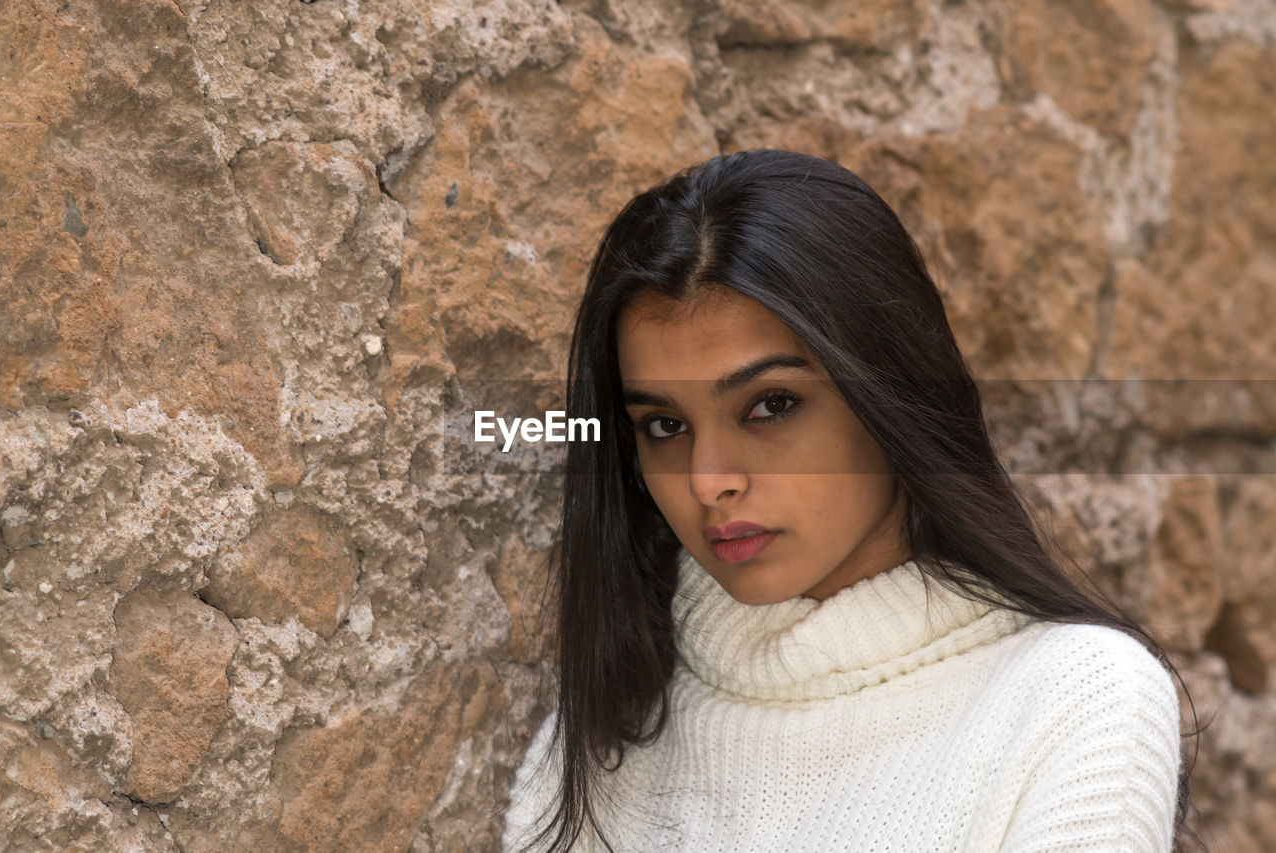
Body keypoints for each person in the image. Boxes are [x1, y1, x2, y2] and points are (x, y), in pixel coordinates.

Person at [500, 150, 1205, 852]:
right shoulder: (598, 741)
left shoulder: (1077, 699)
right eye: (664, 425)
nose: (709, 478)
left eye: (770, 406)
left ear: (887, 394)